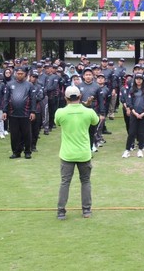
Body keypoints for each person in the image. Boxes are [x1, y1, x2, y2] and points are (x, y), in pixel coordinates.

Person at [54, 86, 100, 220]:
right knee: (85, 181)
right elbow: (95, 121)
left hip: (67, 154)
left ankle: (61, 211)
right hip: (84, 153)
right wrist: (87, 105)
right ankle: (86, 210)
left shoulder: (60, 112)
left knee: (65, 182)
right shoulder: (89, 112)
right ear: (80, 97)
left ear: (66, 98)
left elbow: (57, 123)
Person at [2, 67, 36, 159]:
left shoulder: (29, 85)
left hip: (26, 113)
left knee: (27, 134)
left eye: (21, 73)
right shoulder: (9, 85)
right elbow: (6, 99)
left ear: (25, 74)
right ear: (15, 74)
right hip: (13, 114)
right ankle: (16, 152)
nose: (19, 75)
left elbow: (33, 99)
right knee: (14, 134)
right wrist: (4, 111)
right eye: (18, 73)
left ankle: (27, 152)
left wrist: (33, 111)